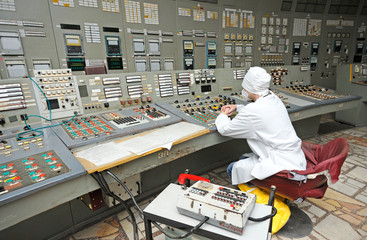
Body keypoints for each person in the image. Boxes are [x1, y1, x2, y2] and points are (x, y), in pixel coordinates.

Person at [215, 66, 306, 185]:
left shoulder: (253, 111)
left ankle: (258, 192)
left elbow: (225, 129)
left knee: (233, 168)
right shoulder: (273, 98)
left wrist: (222, 115)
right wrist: (237, 107)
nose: (244, 91)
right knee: (244, 158)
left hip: (279, 163)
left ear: (251, 88)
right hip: (294, 157)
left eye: (245, 88)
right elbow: (259, 112)